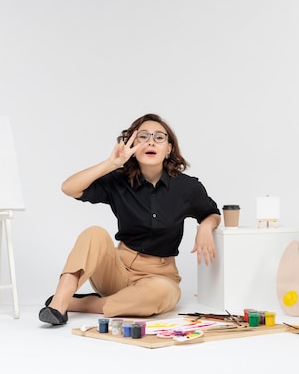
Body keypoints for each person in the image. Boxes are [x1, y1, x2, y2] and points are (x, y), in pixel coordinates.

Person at [39, 113, 221, 325]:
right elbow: (69, 188)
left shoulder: (187, 187)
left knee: (163, 293)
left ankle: (82, 304)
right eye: (143, 136)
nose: (151, 141)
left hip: (159, 277)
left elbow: (212, 212)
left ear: (169, 148)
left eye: (159, 137)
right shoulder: (119, 181)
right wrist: (111, 163)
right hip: (117, 270)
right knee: (94, 233)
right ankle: (59, 304)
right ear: (132, 144)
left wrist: (206, 226)